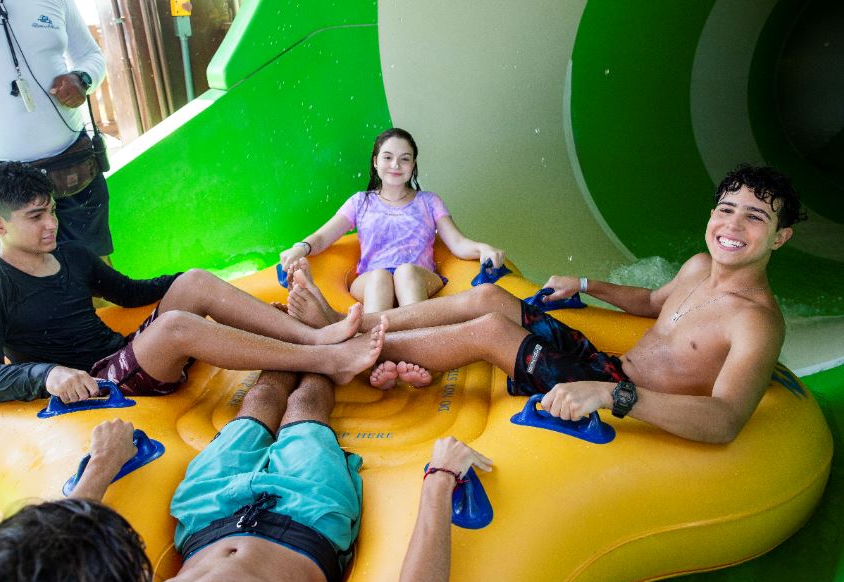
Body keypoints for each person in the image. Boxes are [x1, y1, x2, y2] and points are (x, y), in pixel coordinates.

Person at [289, 165, 806, 444]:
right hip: (605, 365)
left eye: (755, 218)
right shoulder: (698, 265)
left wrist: (612, 397)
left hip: (626, 398)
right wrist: (584, 282)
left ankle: (347, 351)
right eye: (726, 209)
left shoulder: (756, 323)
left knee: (490, 331)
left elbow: (724, 420)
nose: (732, 227)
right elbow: (651, 302)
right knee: (492, 296)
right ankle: (345, 324)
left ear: (780, 238)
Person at [0, 375, 492, 582]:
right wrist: (440, 478)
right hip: (305, 522)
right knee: (305, 411)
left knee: (257, 405)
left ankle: (308, 342)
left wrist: (102, 463)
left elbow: (49, 552)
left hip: (205, 516)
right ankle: (323, 356)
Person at [0, 161, 388, 406]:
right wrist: (48, 374)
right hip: (100, 381)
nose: (51, 224)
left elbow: (129, 292)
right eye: (36, 217)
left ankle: (318, 338)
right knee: (174, 325)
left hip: (125, 355)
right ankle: (325, 358)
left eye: (51, 211)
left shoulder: (70, 254)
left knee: (195, 281)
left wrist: (193, 284)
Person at [0, 0, 113, 258]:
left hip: (72, 162)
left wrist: (83, 78)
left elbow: (90, 56)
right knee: (30, 279)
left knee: (98, 271)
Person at [278, 128, 504, 324]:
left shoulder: (429, 201)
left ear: (413, 164)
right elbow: (322, 237)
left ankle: (418, 351)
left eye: (405, 159)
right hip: (371, 281)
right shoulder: (360, 202)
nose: (396, 165)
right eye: (387, 157)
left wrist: (483, 249)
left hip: (419, 277)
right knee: (380, 276)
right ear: (375, 161)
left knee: (405, 272)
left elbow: (457, 242)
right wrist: (301, 248)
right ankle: (378, 357)